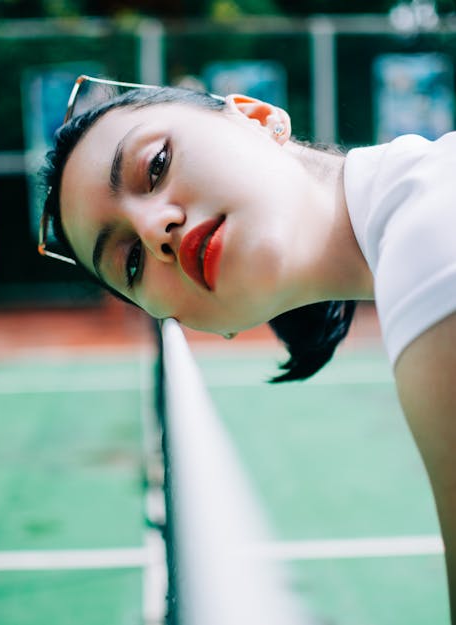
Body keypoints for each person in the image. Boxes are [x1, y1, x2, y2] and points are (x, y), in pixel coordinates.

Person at [39, 77, 456, 619]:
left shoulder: (432, 239)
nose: (153, 229)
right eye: (132, 264)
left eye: (157, 165)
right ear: (207, 326)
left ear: (258, 118)